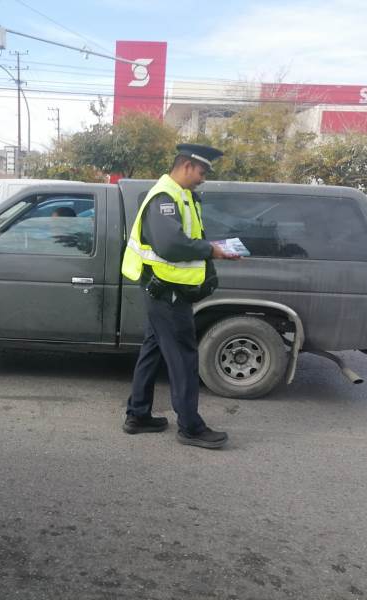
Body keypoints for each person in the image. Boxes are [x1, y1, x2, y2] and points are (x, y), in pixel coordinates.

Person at [121, 143, 241, 450]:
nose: (203, 178)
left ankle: (138, 414)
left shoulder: (183, 196)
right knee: (184, 358)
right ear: (186, 165)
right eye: (201, 171)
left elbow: (186, 238)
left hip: (166, 290)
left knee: (153, 348)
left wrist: (212, 247)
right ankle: (190, 427)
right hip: (168, 292)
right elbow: (171, 245)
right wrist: (211, 250)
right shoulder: (164, 197)